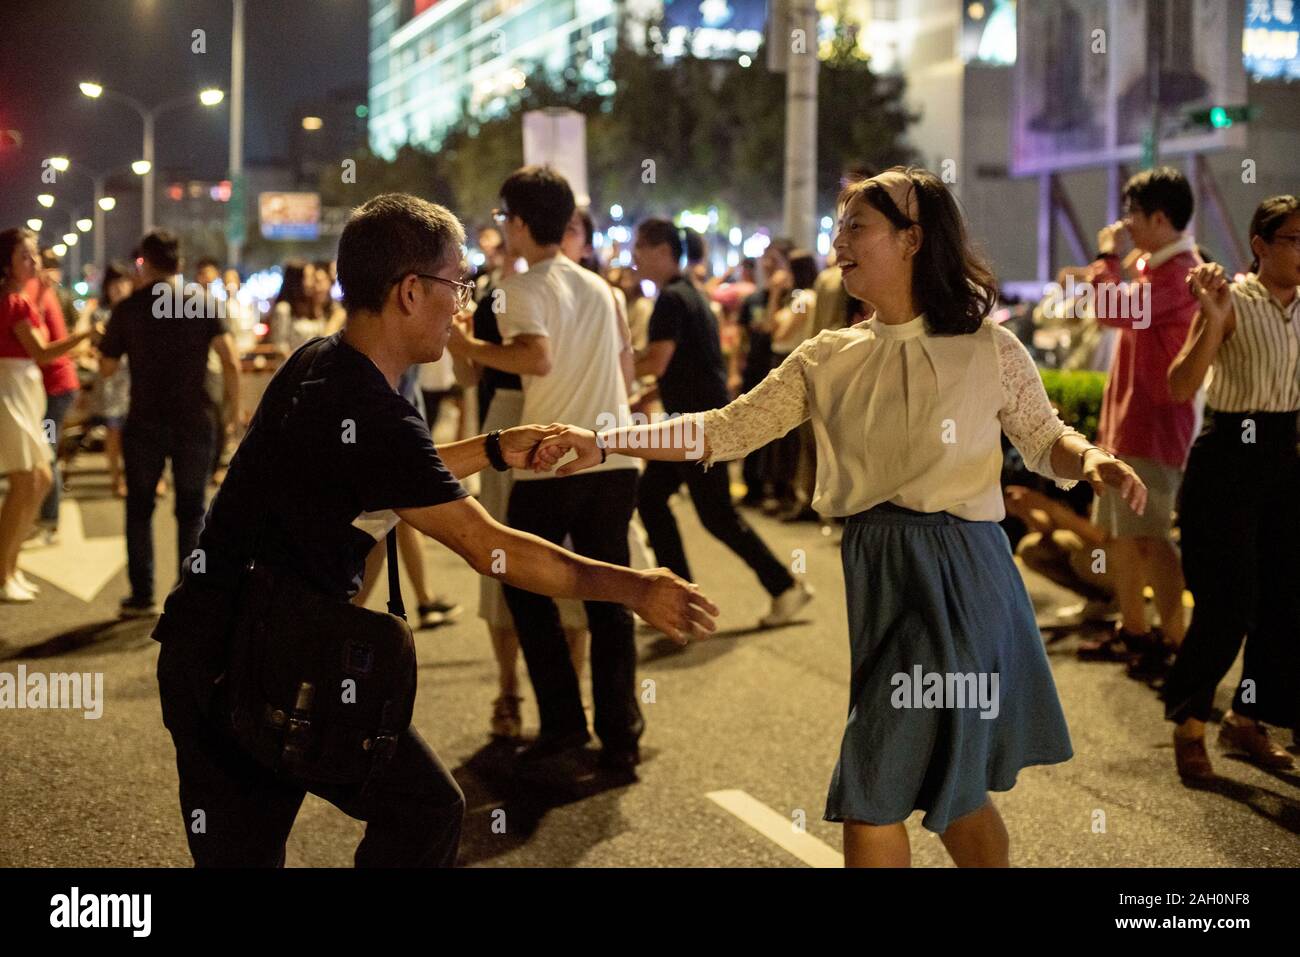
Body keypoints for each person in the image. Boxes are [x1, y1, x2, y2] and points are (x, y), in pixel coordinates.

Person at [541, 167, 1148, 867]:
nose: (838, 245)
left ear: (913, 238)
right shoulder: (828, 356)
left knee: (873, 788)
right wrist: (606, 439)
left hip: (963, 580)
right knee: (955, 795)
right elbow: (723, 430)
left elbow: (1044, 441)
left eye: (856, 227)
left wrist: (1092, 458)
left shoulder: (988, 346)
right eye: (837, 229)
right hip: (878, 572)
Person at [152, 193, 715, 867]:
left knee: (411, 810)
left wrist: (498, 446)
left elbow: (392, 472)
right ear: (411, 291)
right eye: (458, 283)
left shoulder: (322, 362)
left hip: (244, 643)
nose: (464, 302)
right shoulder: (367, 405)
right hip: (245, 661)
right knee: (414, 812)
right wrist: (634, 585)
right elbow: (491, 547)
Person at [447, 167, 645, 770]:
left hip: (550, 462)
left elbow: (535, 356)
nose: (503, 228)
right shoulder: (602, 289)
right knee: (608, 595)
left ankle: (562, 724)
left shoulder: (523, 288)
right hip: (611, 457)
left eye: (506, 218)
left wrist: (468, 346)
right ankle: (620, 731)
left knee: (526, 589)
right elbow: (626, 374)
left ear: (522, 223)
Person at [1160, 195, 1300, 779]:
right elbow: (1178, 385)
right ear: (1261, 246)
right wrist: (1212, 323)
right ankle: (1190, 724)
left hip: (1286, 463)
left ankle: (1247, 719)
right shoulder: (1230, 299)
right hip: (1228, 462)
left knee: (1283, 603)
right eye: (1292, 239)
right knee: (1227, 606)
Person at [631, 218, 812, 628]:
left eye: (640, 248)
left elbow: (658, 360)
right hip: (696, 425)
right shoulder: (692, 296)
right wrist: (649, 395)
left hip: (694, 430)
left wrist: (611, 363)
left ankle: (779, 586)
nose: (634, 258)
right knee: (660, 500)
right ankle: (684, 599)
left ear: (662, 251)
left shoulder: (670, 301)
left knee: (706, 512)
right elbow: (688, 366)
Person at [1075, 168, 1198, 677]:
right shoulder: (1154, 267)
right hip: (1128, 426)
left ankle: (1174, 641)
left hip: (1153, 427)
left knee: (1151, 540)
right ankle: (1137, 633)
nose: (1127, 225)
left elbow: (1110, 310)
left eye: (1134, 215)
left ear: (1160, 217)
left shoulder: (1180, 273)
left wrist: (1106, 260)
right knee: (1126, 538)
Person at [98, 230, 243, 617]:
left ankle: (142, 595)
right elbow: (230, 361)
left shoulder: (127, 308)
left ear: (144, 263)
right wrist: (233, 412)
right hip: (196, 417)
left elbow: (107, 368)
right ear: (179, 264)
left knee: (140, 507)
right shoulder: (203, 302)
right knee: (192, 508)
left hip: (145, 419)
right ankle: (188, 594)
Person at [0, 228, 97, 603]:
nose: (35, 262)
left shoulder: (22, 297)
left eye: (35, 255)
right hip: (13, 390)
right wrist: (85, 336)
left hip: (23, 390)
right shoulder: (14, 301)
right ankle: (4, 571)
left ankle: (11, 566)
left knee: (37, 479)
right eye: (25, 256)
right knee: (28, 480)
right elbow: (42, 352)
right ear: (7, 262)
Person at [25, 247, 83, 544]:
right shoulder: (39, 290)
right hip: (55, 385)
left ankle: (49, 522)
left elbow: (42, 347)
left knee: (46, 452)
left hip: (55, 386)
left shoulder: (34, 290)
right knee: (46, 451)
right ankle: (46, 520)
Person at [87, 262, 136, 498]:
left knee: (136, 434)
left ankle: (139, 478)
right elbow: (92, 348)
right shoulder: (100, 315)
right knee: (114, 431)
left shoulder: (138, 311)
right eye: (112, 284)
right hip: (110, 379)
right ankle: (116, 478)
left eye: (122, 282)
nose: (117, 288)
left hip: (134, 380)